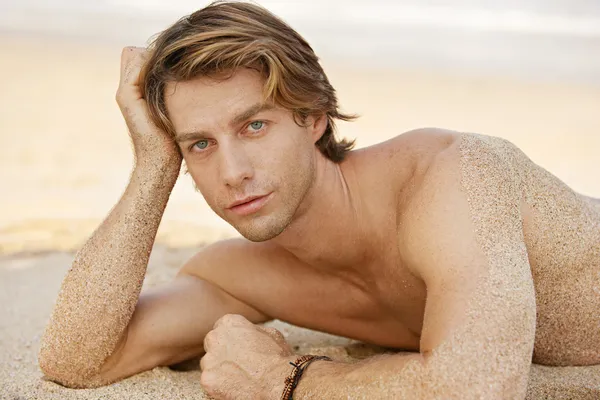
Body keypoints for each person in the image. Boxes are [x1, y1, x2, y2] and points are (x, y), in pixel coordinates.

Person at [38, 1, 600, 399]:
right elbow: (76, 361)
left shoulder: (451, 178)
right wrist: (152, 168)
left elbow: (479, 389)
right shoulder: (241, 275)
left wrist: (284, 378)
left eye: (254, 126)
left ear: (313, 116)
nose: (231, 172)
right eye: (201, 144)